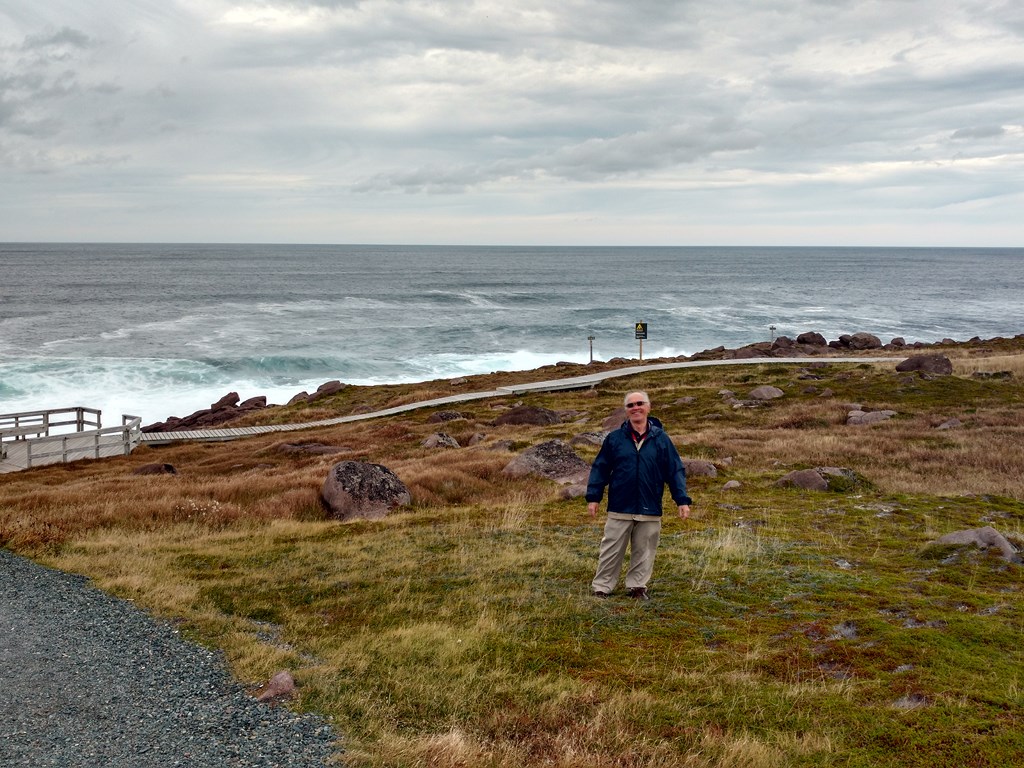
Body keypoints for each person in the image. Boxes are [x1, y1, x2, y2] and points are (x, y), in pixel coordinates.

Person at [586, 390, 692, 600]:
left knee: (644, 550)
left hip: (649, 505)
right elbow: (601, 468)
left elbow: (674, 470)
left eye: (639, 403)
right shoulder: (614, 439)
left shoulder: (662, 439)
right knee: (611, 549)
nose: (636, 408)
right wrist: (593, 497)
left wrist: (682, 500)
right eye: (631, 405)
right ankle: (602, 588)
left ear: (648, 407)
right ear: (626, 411)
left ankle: (637, 587)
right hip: (620, 505)